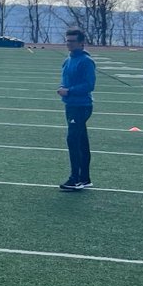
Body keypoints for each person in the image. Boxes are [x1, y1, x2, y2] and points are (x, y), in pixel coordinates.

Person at [57, 28, 96, 191]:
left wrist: (70, 91)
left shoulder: (86, 61)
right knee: (81, 141)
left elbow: (89, 85)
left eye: (72, 41)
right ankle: (84, 178)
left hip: (81, 106)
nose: (69, 44)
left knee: (73, 140)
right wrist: (63, 88)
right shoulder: (68, 60)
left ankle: (75, 179)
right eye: (67, 40)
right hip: (71, 105)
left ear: (81, 43)